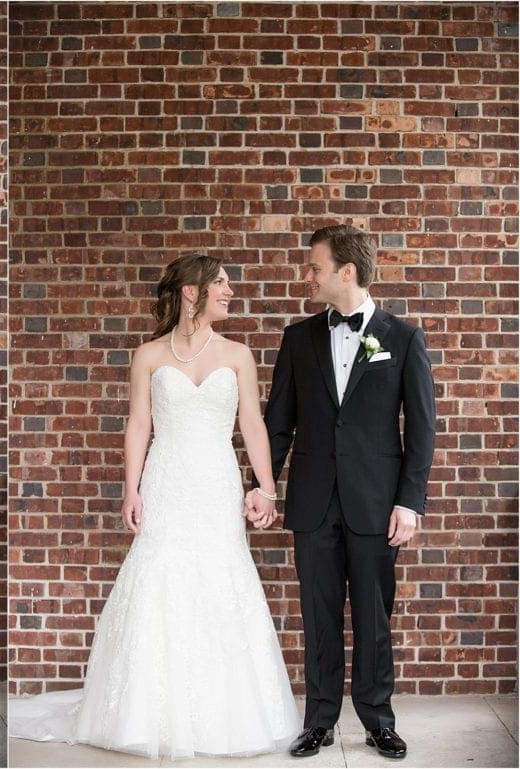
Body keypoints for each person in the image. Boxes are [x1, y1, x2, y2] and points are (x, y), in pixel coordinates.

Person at [9, 253, 300, 759]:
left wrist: (267, 488)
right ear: (192, 292)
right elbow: (139, 424)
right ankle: (147, 714)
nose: (230, 292)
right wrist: (132, 489)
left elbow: (253, 424)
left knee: (219, 576)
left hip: (214, 481)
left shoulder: (237, 354)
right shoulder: (148, 356)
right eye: (222, 284)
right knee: (159, 575)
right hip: (166, 479)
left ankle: (220, 715)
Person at [246, 225, 436, 760]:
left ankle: (378, 719)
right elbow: (277, 422)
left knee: (376, 616)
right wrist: (263, 485)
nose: (307, 275)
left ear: (345, 272)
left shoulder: (402, 338)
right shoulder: (297, 338)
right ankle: (320, 721)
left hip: (377, 504)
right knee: (318, 614)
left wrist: (409, 501)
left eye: (314, 267)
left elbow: (421, 430)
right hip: (313, 500)